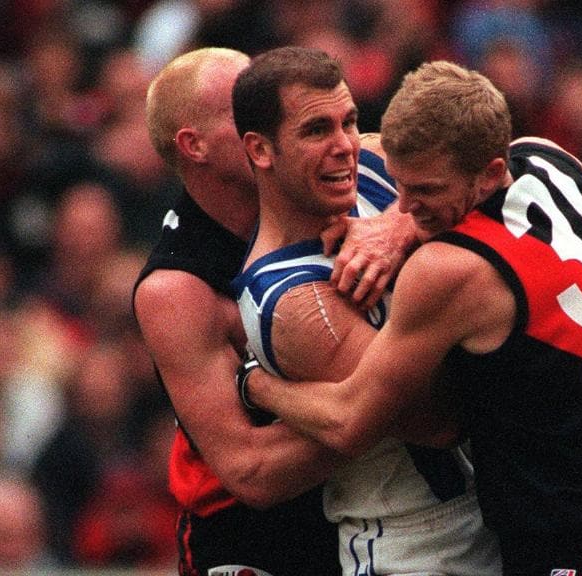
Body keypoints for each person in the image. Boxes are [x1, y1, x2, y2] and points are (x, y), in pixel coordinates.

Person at [243, 60, 582, 575]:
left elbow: (350, 422)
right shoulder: (555, 160)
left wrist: (255, 383)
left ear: (489, 173)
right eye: (397, 186)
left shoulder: (449, 271)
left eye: (424, 192)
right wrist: (403, 225)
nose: (403, 206)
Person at [133, 47, 416, 575]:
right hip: (251, 535)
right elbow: (250, 472)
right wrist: (387, 406)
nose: (272, 107)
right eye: (244, 107)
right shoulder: (176, 288)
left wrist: (402, 225)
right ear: (194, 146)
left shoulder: (345, 163)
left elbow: (484, 162)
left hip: (356, 501)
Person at [229, 46, 501, 576]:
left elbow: (497, 164)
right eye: (316, 131)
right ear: (260, 150)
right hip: (421, 544)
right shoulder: (291, 301)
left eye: (349, 121)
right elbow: (444, 419)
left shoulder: (378, 162)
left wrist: (406, 228)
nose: (345, 147)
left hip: (496, 512)